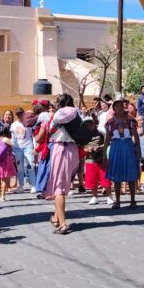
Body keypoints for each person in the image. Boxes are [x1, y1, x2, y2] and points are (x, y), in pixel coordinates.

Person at [43, 94, 81, 234]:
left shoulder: (60, 113)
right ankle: (56, 218)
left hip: (61, 149)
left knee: (58, 187)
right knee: (63, 183)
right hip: (73, 150)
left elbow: (52, 126)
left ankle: (63, 224)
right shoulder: (77, 112)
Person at [105, 99, 141, 208]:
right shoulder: (110, 122)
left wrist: (138, 149)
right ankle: (117, 201)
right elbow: (107, 139)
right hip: (115, 147)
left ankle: (133, 200)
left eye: (121, 106)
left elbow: (136, 135)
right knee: (116, 175)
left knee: (130, 173)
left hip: (128, 146)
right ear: (113, 109)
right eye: (117, 106)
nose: (119, 108)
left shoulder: (130, 120)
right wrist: (104, 153)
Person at [82, 117, 112, 204]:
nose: (89, 126)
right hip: (90, 160)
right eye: (86, 124)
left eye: (90, 124)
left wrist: (100, 147)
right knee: (92, 179)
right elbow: (81, 147)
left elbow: (107, 143)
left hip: (101, 158)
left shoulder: (101, 133)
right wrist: (87, 150)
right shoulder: (83, 135)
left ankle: (109, 196)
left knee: (105, 178)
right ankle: (94, 196)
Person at [10, 108, 35, 194]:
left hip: (28, 146)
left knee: (30, 165)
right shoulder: (13, 125)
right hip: (18, 148)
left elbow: (33, 135)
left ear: (24, 114)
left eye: (21, 113)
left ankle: (33, 185)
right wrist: (12, 148)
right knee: (20, 168)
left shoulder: (28, 122)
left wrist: (34, 147)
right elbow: (13, 138)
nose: (19, 115)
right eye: (17, 114)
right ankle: (21, 185)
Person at [0, 127, 16, 201]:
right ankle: (2, 195)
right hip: (5, 159)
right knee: (4, 178)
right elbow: (13, 144)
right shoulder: (6, 139)